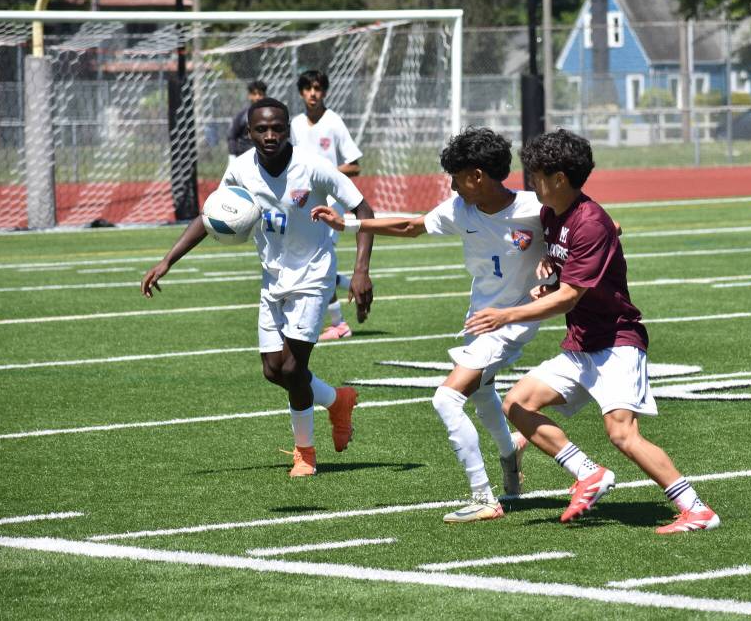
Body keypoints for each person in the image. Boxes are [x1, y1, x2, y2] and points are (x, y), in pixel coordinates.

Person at [464, 128, 720, 535]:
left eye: (537, 175)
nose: (531, 182)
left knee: (622, 433)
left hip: (617, 342)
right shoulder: (553, 212)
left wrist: (507, 315)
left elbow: (569, 297)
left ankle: (696, 508)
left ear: (560, 178)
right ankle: (587, 472)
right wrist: (548, 265)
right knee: (518, 402)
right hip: (582, 343)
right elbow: (568, 255)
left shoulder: (590, 222)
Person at [312, 127, 537, 523]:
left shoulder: (534, 208)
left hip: (511, 322)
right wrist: (347, 225)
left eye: (456, 176)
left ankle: (484, 498)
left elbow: (601, 225)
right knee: (483, 394)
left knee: (446, 398)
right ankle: (510, 459)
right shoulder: (459, 210)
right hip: (479, 319)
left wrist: (555, 264)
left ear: (477, 176)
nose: (451, 185)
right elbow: (411, 226)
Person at [141, 97, 375, 478]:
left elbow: (364, 211)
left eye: (277, 128)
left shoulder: (314, 167)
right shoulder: (240, 169)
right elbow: (212, 214)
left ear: (289, 130)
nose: (270, 135)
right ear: (249, 132)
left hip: (314, 278)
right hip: (272, 280)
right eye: (261, 129)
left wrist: (360, 270)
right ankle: (337, 401)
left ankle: (306, 454)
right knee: (272, 371)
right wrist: (168, 260)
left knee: (293, 367)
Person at [290, 69, 363, 342]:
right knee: (306, 256)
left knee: (317, 256)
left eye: (318, 88)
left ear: (325, 92)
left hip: (330, 201)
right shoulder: (295, 124)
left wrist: (326, 172)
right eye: (308, 88)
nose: (313, 93)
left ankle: (339, 323)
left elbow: (354, 165)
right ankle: (349, 284)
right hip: (301, 199)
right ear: (301, 92)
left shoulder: (333, 122)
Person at [227, 80, 267, 167]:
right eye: (254, 94)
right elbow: (232, 136)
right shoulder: (241, 116)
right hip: (244, 158)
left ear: (264, 95)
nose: (257, 97)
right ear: (249, 96)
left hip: (265, 160)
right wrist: (232, 156)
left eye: (260, 94)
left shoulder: (270, 116)